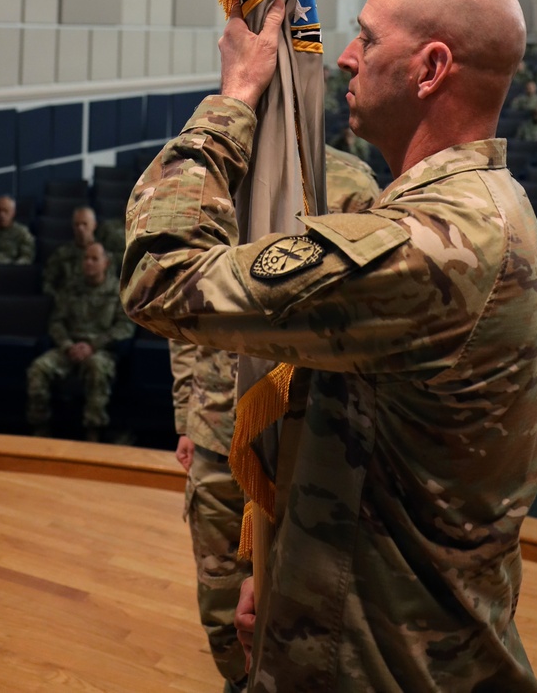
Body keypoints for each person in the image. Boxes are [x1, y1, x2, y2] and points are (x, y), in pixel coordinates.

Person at [123, 0, 537, 692]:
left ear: (430, 69)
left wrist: (232, 100)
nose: (346, 58)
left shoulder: (433, 248)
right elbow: (353, 421)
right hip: (361, 617)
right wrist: (281, 548)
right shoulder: (476, 207)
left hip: (386, 660)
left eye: (367, 39)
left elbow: (161, 280)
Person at [170, 145, 380, 692]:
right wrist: (186, 418)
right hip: (218, 427)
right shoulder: (218, 178)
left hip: (304, 439)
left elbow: (364, 315)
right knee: (221, 603)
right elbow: (182, 312)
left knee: (298, 604)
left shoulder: (345, 181)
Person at [26, 242, 132, 440]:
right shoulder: (70, 288)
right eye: (86, 258)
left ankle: (93, 430)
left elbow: (124, 327)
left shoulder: (118, 291)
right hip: (69, 348)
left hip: (100, 351)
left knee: (96, 368)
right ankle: (41, 427)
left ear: (106, 263)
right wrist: (67, 345)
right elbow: (56, 322)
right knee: (38, 368)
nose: (89, 263)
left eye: (94, 259)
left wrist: (93, 346)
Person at [43, 205, 100, 298]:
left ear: (94, 225)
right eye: (77, 224)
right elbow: (47, 283)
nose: (80, 228)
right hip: (69, 305)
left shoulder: (104, 255)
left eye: (84, 224)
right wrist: (59, 300)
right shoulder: (61, 254)